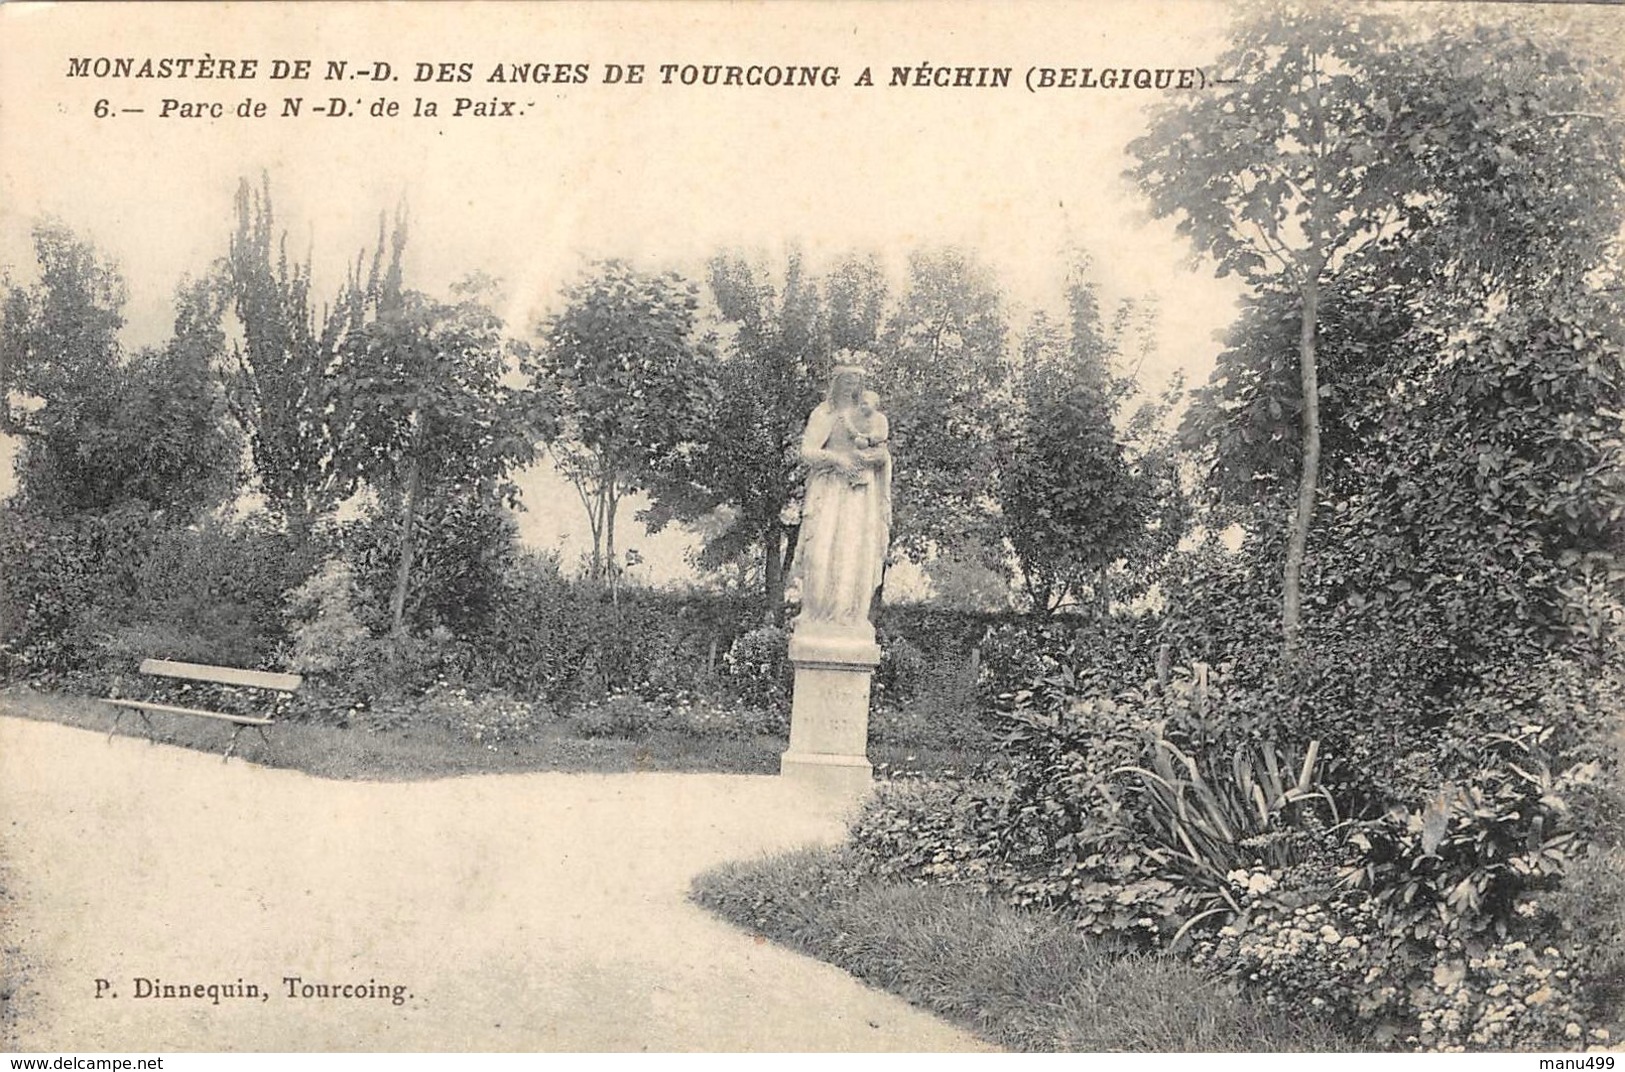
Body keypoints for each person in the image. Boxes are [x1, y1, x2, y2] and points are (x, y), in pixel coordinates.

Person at [791, 356, 892, 631]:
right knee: (820, 550)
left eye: (856, 380)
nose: (850, 386)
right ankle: (816, 613)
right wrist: (837, 460)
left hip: (859, 495)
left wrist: (875, 460)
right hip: (830, 488)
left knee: (853, 550)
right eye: (845, 379)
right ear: (835, 382)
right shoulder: (823, 414)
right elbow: (808, 452)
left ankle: (848, 615)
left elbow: (881, 451)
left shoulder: (870, 417)